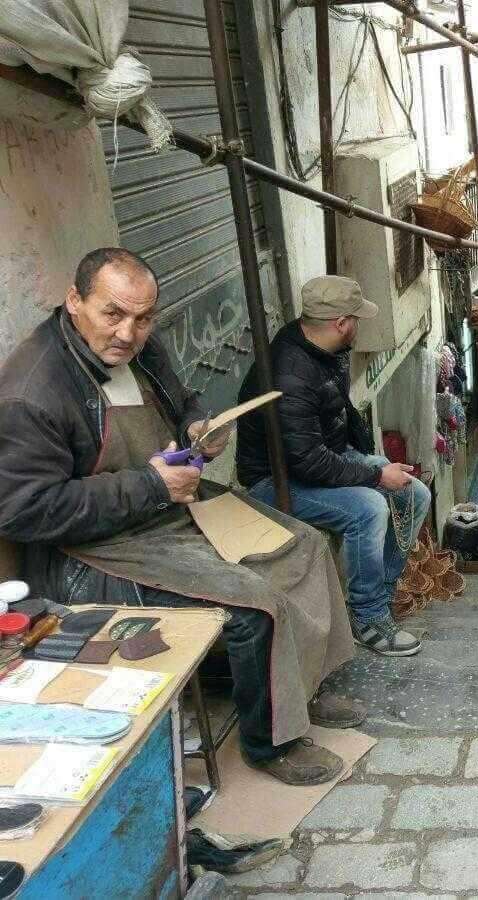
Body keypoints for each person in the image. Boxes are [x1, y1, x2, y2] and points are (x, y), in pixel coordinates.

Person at [0, 248, 360, 785]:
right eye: (113, 314)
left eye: (144, 318)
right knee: (253, 604)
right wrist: (150, 485)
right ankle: (270, 743)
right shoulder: (33, 392)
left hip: (166, 503)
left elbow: (183, 400)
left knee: (303, 544)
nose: (128, 332)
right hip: (91, 550)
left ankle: (304, 686)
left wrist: (198, 428)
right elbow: (22, 512)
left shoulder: (139, 348)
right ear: (75, 301)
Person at [236, 275, 428, 658]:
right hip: (275, 480)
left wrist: (373, 460)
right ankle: (367, 617)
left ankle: (380, 595)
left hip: (322, 457)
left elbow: (338, 417)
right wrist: (376, 475)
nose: (359, 325)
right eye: (356, 318)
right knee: (368, 509)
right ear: (341, 323)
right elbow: (309, 463)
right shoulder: (290, 375)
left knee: (414, 493)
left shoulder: (320, 345)